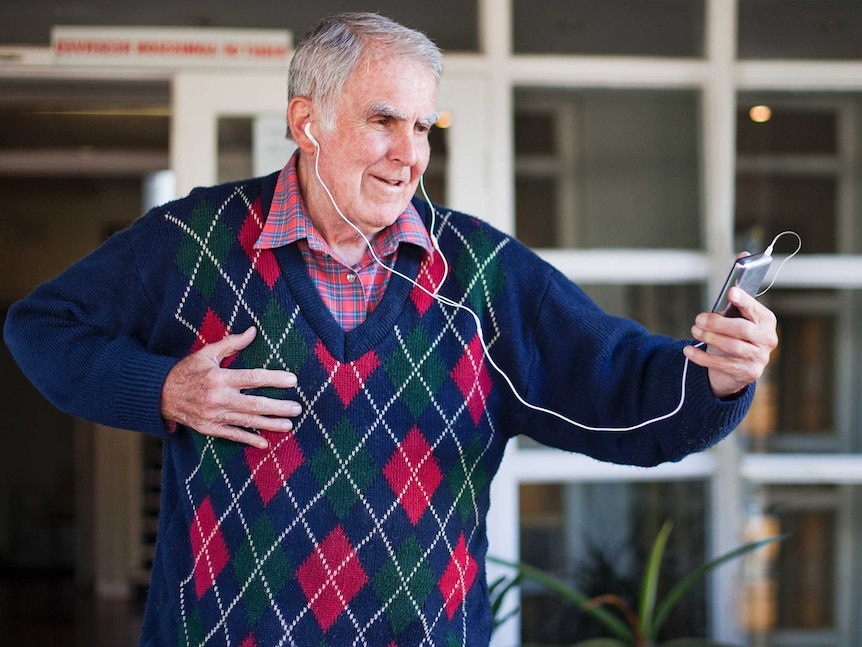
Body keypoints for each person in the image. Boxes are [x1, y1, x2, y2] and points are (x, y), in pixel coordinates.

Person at [3, 12, 777, 647]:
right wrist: (164, 388)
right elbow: (42, 327)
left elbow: (618, 385)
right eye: (383, 121)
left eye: (423, 126)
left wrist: (718, 373)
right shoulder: (193, 241)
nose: (410, 155)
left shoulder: (480, 274)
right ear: (307, 122)